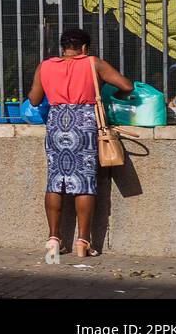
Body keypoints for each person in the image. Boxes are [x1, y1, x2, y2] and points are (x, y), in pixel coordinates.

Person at [28, 27, 133, 260]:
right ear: (84, 48)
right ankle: (83, 242)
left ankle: (54, 239)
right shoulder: (92, 63)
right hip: (84, 124)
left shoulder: (45, 66)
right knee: (84, 182)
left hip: (56, 124)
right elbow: (127, 86)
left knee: (55, 180)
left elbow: (34, 100)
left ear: (63, 47)